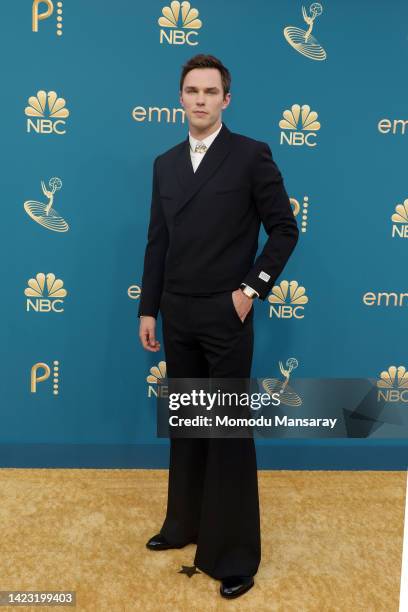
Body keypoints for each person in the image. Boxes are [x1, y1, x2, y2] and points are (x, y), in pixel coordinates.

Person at [138, 54, 299, 599]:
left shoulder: (251, 156)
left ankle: (232, 556)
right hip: (177, 313)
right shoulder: (163, 163)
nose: (201, 99)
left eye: (211, 91)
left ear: (226, 100)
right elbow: (157, 241)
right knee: (185, 426)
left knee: (226, 431)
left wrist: (248, 293)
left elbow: (284, 231)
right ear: (180, 99)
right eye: (192, 90)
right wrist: (148, 308)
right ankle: (183, 524)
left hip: (227, 314)